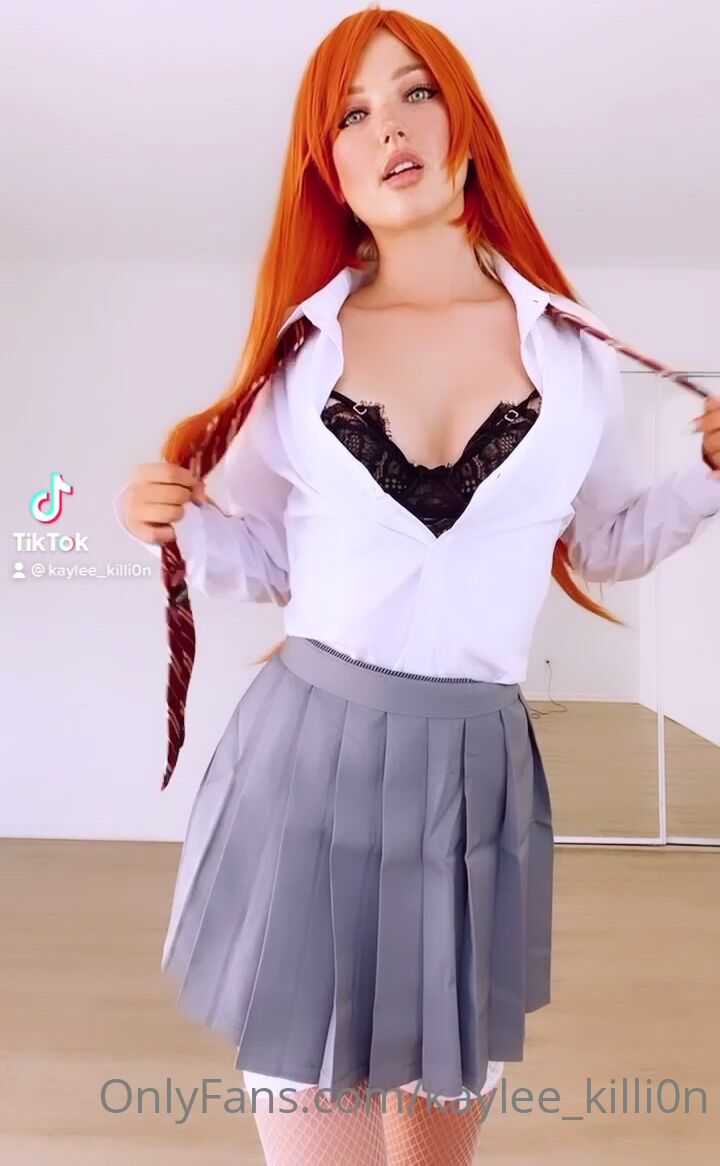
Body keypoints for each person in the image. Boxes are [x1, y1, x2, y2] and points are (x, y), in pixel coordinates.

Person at [114, 8, 720, 1164]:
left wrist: (705, 476)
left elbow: (605, 541)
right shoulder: (298, 356)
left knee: (438, 1131)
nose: (388, 127)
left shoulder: (576, 351)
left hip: (474, 771)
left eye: (414, 93)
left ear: (464, 124)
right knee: (322, 1115)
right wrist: (168, 524)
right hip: (311, 761)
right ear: (329, 168)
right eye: (352, 114)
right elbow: (268, 561)